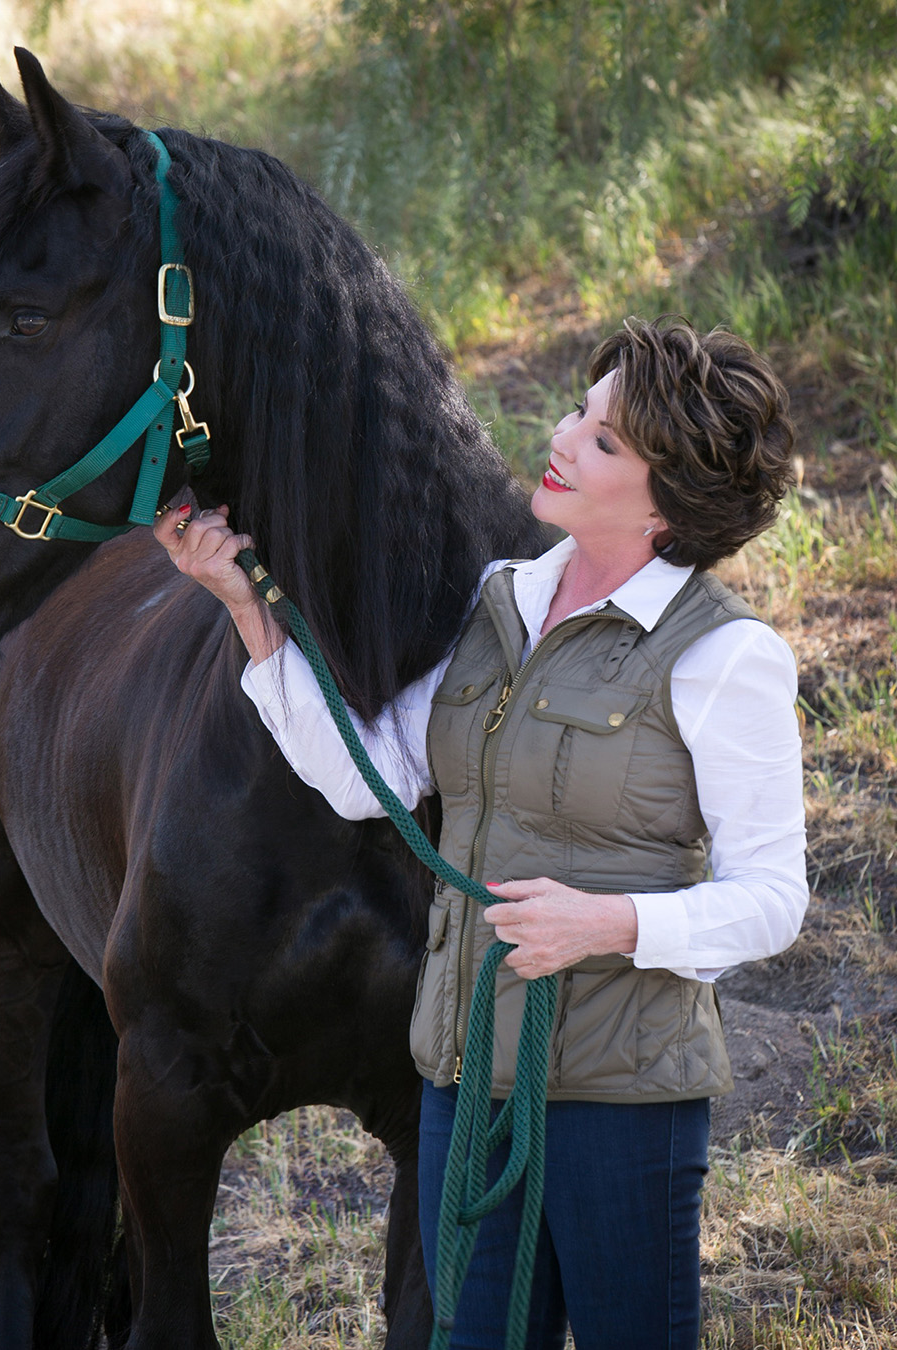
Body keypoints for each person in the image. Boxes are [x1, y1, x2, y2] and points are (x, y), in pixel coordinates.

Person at [154, 316, 808, 1349]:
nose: (560, 435)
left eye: (602, 441)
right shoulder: (503, 598)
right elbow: (374, 780)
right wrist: (248, 611)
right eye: (579, 411)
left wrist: (611, 924)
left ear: (669, 500)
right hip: (465, 1085)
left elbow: (775, 900)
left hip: (621, 1101)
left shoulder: (728, 659)